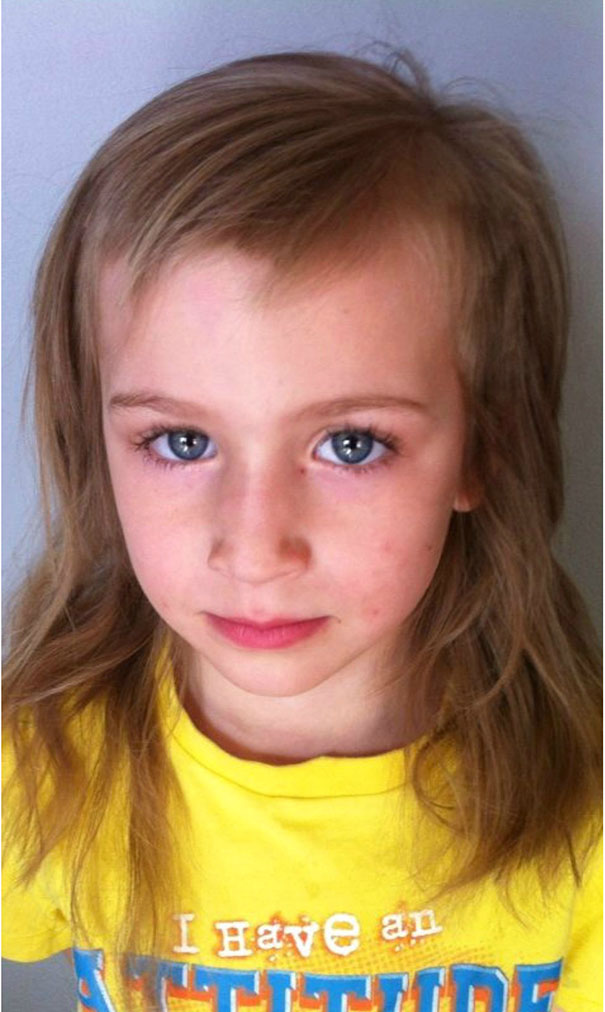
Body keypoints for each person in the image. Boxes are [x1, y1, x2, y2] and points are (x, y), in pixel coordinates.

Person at [2, 50, 601, 1012]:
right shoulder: (40, 772)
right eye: (182, 439)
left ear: (483, 445)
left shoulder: (582, 814)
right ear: (95, 440)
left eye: (351, 444)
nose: (253, 547)